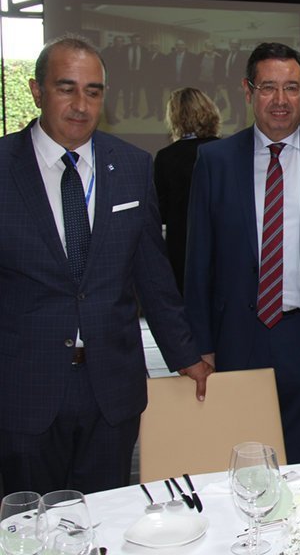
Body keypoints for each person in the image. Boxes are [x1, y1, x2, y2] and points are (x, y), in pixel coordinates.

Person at [0, 36, 212, 495]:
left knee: (107, 519)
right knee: (31, 529)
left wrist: (185, 355)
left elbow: (152, 274)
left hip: (111, 391)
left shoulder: (132, 166)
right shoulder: (2, 167)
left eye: (93, 91)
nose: (81, 104)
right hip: (24, 390)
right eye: (66, 88)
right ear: (37, 91)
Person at [184, 42, 300, 464]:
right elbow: (198, 262)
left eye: (292, 87)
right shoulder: (215, 161)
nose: (281, 100)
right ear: (248, 92)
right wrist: (200, 343)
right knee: (240, 461)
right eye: (269, 87)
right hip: (237, 337)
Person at [154, 87, 221, 295]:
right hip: (222, 249)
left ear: (174, 116)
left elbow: (160, 211)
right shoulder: (226, 152)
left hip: (182, 252)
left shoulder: (166, 157)